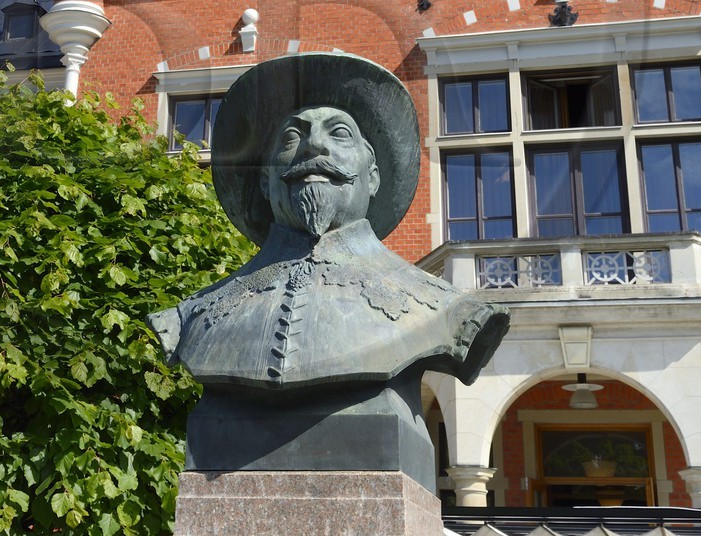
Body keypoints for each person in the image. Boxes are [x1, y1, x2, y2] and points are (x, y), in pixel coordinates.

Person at [149, 53, 509, 393]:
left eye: (339, 133)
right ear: (264, 180)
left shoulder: (445, 311)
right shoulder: (191, 316)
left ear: (372, 177)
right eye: (292, 136)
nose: (313, 146)